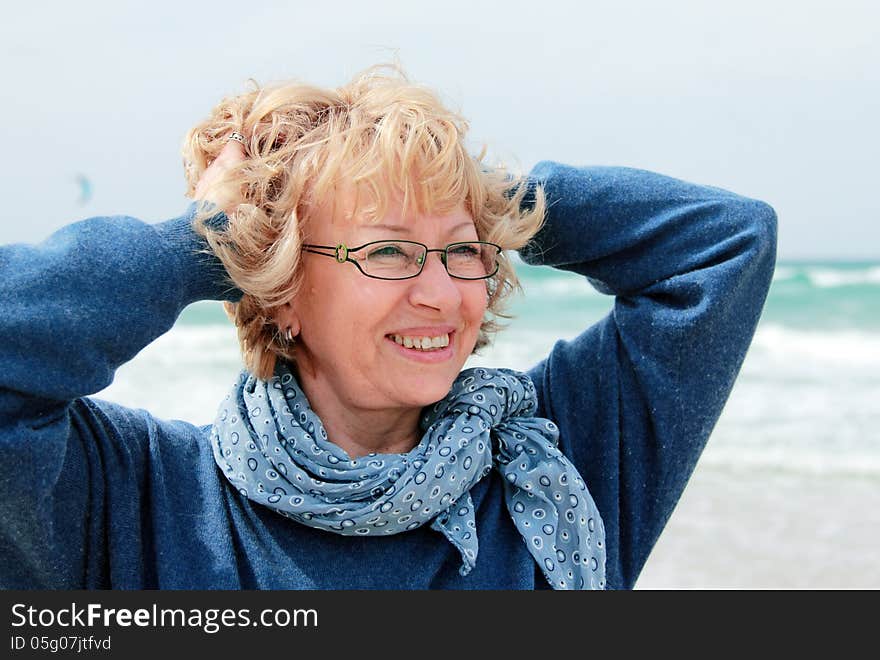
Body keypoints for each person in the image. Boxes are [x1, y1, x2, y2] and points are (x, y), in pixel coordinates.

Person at [0, 65, 777, 590]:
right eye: (391, 251)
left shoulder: (559, 465)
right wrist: (207, 235)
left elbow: (725, 243)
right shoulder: (133, 495)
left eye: (463, 250)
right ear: (279, 294)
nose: (442, 293)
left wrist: (481, 195)